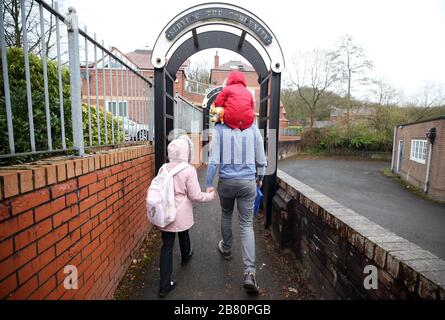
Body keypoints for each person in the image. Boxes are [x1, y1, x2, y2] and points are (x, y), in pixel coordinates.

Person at [205, 122, 267, 294]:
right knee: (246, 224)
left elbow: (214, 160)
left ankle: (226, 248)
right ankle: (250, 273)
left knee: (226, 213)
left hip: (226, 182)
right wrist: (260, 177)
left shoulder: (220, 128)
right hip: (248, 182)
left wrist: (209, 182)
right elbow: (261, 158)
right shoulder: (253, 127)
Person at [158, 136, 215, 298]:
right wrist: (209, 196)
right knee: (184, 233)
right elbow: (195, 195)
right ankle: (186, 256)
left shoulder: (163, 168)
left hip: (166, 212)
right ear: (186, 151)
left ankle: (164, 286)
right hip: (181, 213)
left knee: (167, 246)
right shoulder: (188, 170)